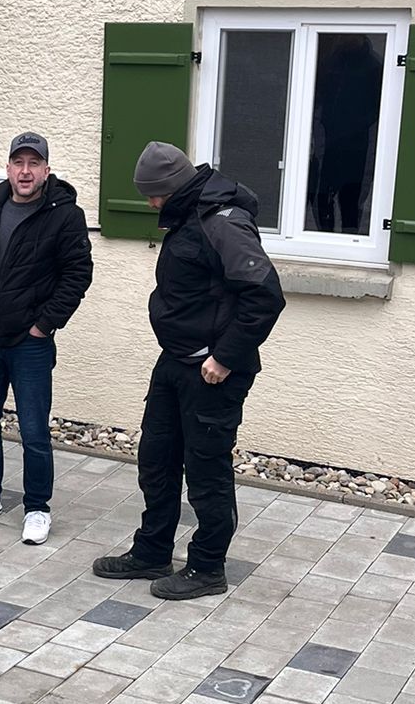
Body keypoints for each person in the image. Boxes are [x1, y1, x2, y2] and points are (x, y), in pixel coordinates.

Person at [94, 141, 285, 600]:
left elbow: (266, 296)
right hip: (175, 361)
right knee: (156, 460)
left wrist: (225, 358)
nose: (149, 203)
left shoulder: (223, 222)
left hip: (212, 371)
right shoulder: (187, 216)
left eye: (153, 194)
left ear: (173, 187)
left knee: (206, 471)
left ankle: (207, 567)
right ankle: (152, 552)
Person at [0, 131, 93, 546]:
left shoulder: (65, 215)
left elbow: (78, 276)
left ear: (46, 170)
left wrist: (44, 325)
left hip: (31, 342)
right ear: (8, 168)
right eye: (18, 163)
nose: (25, 171)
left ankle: (37, 508)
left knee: (33, 431)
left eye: (34, 163)